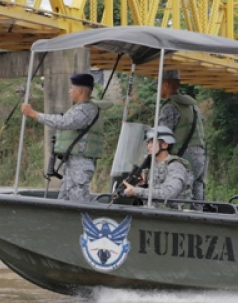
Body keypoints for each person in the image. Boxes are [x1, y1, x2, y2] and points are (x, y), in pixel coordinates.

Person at [21, 73, 105, 202]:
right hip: (73, 162)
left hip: (80, 164)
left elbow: (65, 122)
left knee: (78, 201)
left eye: (72, 88)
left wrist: (34, 114)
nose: (69, 91)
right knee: (64, 199)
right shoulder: (80, 108)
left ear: (80, 90)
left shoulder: (87, 109)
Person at [158, 69, 207, 210]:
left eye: (159, 85)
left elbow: (161, 139)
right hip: (200, 157)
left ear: (166, 85)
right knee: (197, 193)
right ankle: (199, 221)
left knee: (175, 194)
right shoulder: (193, 106)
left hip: (183, 158)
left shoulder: (169, 107)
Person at [122, 126, 194, 209]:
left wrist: (136, 191)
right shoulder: (152, 166)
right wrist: (143, 185)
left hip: (174, 217)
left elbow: (168, 194)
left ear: (165, 145)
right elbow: (150, 195)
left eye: (152, 142)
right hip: (154, 213)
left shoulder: (176, 166)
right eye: (148, 143)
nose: (148, 146)